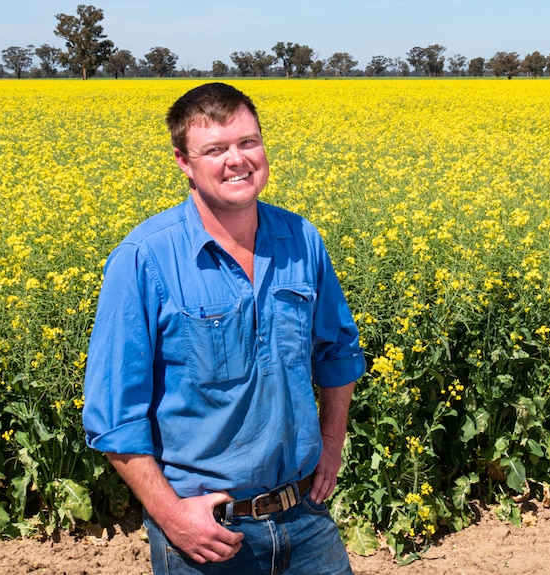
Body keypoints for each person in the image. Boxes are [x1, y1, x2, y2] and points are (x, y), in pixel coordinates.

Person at [82, 82, 366, 575]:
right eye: (215, 149)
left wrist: (333, 443)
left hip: (306, 519)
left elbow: (338, 353)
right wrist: (171, 516)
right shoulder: (144, 260)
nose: (237, 160)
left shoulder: (302, 239)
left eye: (247, 142)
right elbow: (112, 415)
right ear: (183, 162)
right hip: (207, 534)